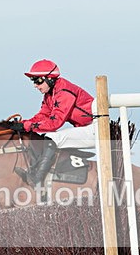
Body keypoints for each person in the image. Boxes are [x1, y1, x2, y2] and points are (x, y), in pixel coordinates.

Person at [9, 59, 96, 187]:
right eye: (33, 81)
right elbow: (42, 115)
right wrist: (23, 124)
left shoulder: (64, 91)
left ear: (50, 78)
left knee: (52, 138)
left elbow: (55, 123)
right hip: (86, 127)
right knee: (44, 137)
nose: (35, 85)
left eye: (38, 81)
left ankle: (37, 178)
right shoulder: (50, 94)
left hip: (97, 129)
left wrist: (27, 126)